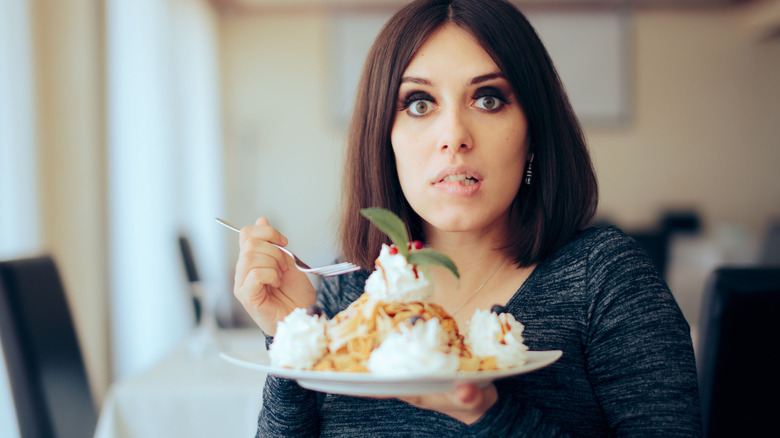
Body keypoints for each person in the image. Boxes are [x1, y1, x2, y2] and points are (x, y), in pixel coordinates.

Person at [232, 0, 702, 436]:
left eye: (489, 99)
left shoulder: (605, 278)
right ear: (384, 139)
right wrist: (293, 335)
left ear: (533, 131)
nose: (454, 135)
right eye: (419, 104)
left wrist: (488, 413)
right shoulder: (340, 300)